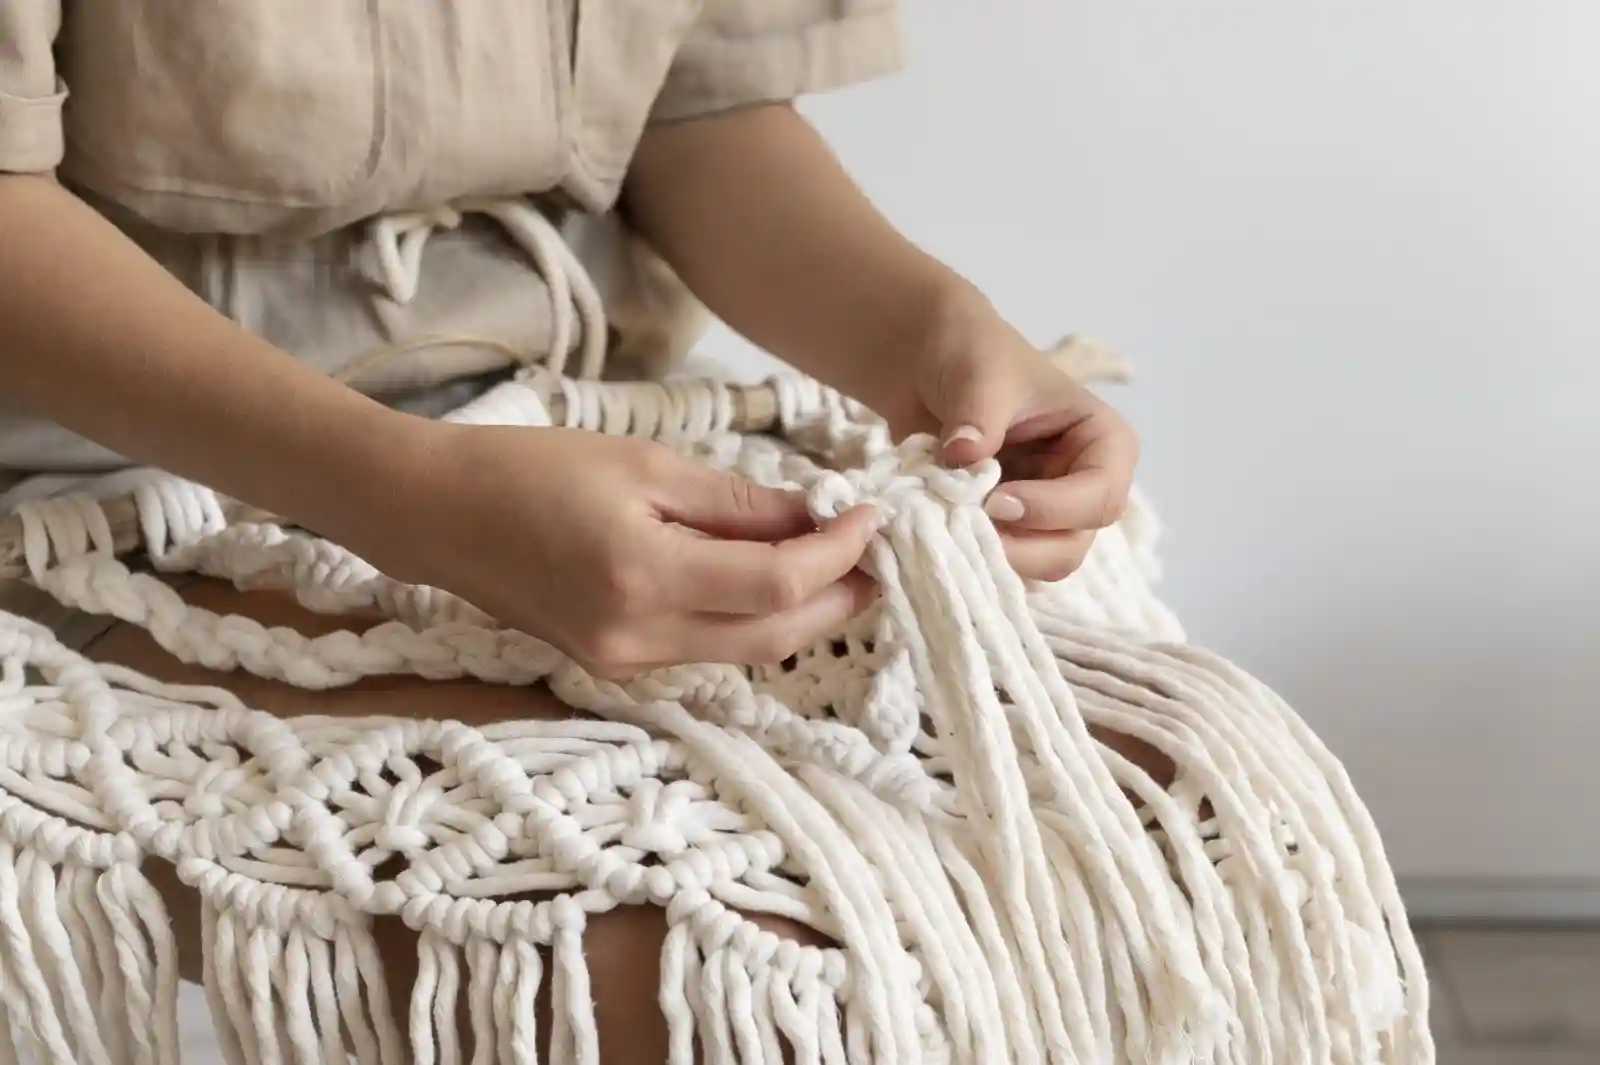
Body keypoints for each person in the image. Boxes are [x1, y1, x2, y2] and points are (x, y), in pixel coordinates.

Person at [0, 2, 1154, 1059]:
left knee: (1152, 817)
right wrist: (414, 497)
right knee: (726, 974)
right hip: (106, 496)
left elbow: (696, 105)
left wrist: (931, 333)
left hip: (583, 422)